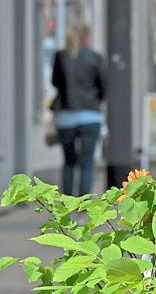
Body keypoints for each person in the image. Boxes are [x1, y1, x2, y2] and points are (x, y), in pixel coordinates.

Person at [51, 24, 106, 196]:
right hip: (90, 116)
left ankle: (67, 205)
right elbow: (103, 85)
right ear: (87, 38)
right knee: (87, 163)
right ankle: (83, 207)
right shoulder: (95, 57)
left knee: (68, 162)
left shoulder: (60, 56)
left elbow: (55, 82)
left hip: (65, 117)